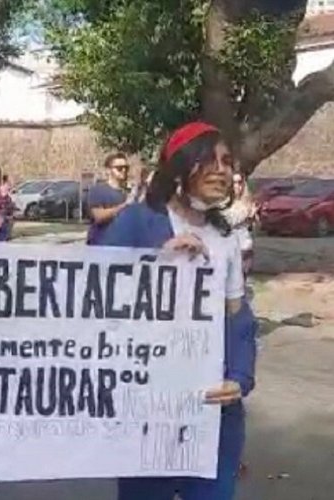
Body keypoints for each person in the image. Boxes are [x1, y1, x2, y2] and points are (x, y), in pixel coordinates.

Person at [97, 122, 257, 500]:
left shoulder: (226, 236)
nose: (222, 170)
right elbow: (96, 297)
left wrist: (239, 377)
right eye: (209, 160)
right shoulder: (137, 221)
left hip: (214, 408)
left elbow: (238, 317)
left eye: (227, 161)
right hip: (150, 406)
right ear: (179, 167)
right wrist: (158, 260)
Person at [86, 153, 131, 244]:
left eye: (126, 168)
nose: (123, 170)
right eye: (119, 168)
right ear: (108, 170)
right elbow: (98, 216)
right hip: (101, 245)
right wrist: (124, 206)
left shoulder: (128, 193)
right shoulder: (99, 190)